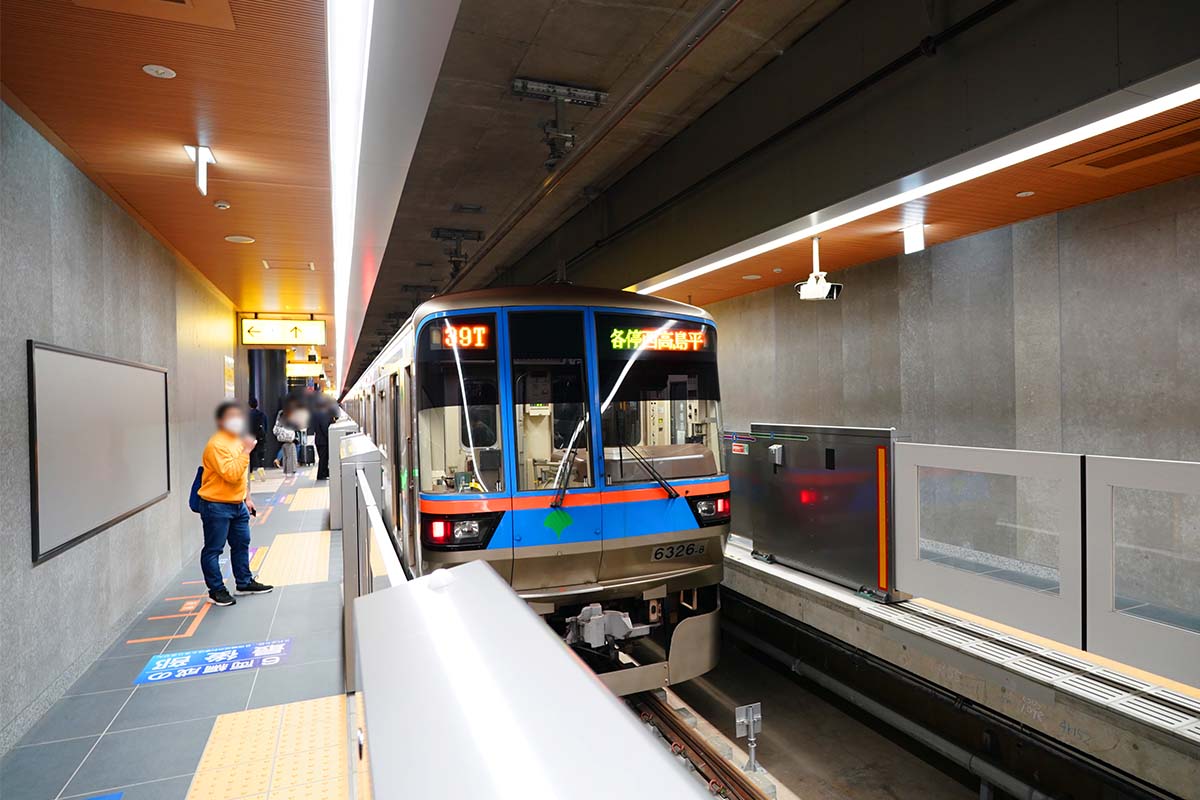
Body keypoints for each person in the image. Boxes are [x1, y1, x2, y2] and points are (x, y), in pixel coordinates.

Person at [198, 401, 273, 606]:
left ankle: (244, 582)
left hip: (237, 504)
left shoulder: (236, 441)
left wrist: (247, 497)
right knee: (214, 549)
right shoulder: (216, 445)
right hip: (216, 505)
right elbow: (231, 474)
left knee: (241, 544)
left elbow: (242, 474)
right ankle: (216, 590)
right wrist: (247, 451)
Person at [313, 398, 333, 481]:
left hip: (318, 439)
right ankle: (321, 475)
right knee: (323, 458)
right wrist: (330, 438)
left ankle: (324, 472)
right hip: (323, 441)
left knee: (322, 457)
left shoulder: (316, 414)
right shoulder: (324, 414)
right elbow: (325, 428)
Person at [247, 398, 268, 477]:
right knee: (260, 453)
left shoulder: (246, 415)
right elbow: (266, 426)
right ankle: (261, 467)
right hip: (260, 436)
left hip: (250, 437)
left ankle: (251, 474)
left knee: (250, 455)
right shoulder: (262, 414)